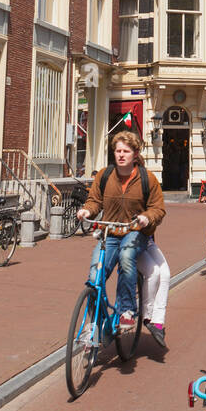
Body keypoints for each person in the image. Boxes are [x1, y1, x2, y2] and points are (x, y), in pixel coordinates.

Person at [76, 131, 165, 336]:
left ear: (135, 154)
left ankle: (127, 309)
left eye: (126, 151)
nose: (121, 155)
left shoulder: (147, 178)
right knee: (94, 276)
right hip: (110, 233)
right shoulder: (105, 175)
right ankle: (98, 326)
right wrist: (87, 210)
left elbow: (158, 209)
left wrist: (146, 217)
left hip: (134, 232)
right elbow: (95, 201)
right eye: (118, 151)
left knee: (126, 256)